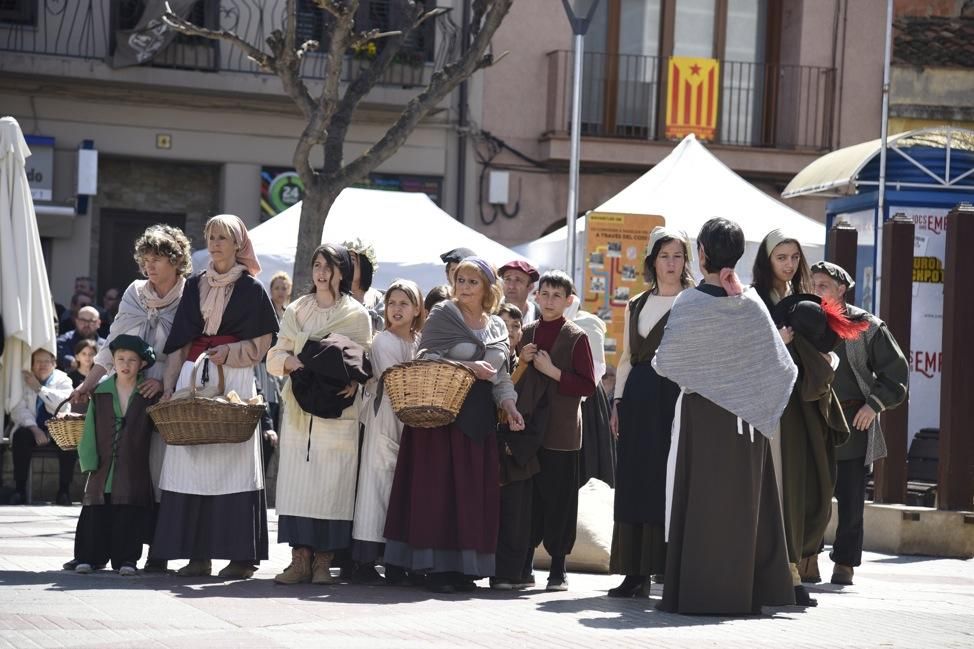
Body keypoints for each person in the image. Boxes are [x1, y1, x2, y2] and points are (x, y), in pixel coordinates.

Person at [653, 217, 796, 616]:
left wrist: (710, 378)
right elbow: (783, 368)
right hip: (748, 422)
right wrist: (746, 391)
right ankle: (743, 594)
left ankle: (696, 593)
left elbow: (666, 362)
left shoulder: (689, 302)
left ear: (701, 254)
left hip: (703, 417)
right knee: (742, 508)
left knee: (701, 504)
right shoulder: (751, 304)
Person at [383, 257, 524, 593]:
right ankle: (435, 568)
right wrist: (468, 367)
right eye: (460, 280)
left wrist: (510, 405)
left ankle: (465, 570)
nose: (464, 287)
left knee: (472, 496)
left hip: (478, 420)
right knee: (439, 494)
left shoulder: (497, 327)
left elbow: (500, 375)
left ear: (488, 288)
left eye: (472, 282)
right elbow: (425, 358)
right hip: (441, 417)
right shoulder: (444, 314)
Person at [154, 214, 278, 579]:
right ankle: (198, 554)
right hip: (194, 375)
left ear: (238, 244)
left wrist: (232, 353)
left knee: (233, 462)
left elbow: (262, 345)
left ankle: (241, 556)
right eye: (211, 236)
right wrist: (169, 385)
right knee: (191, 460)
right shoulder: (194, 286)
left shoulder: (253, 289)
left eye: (223, 237)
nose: (216, 243)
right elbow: (180, 342)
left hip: (234, 378)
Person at [69, 223, 193, 573]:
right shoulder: (134, 293)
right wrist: (89, 383)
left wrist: (164, 386)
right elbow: (114, 341)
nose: (149, 266)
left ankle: (154, 550)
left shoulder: (189, 295)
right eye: (145, 258)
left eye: (157, 259)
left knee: (153, 474)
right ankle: (95, 549)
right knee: (112, 469)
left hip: (162, 395)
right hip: (126, 391)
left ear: (176, 260)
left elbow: (181, 348)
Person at [753, 229, 849, 606]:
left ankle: (792, 571)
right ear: (767, 260)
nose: (789, 264)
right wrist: (780, 342)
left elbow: (823, 347)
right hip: (768, 407)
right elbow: (748, 352)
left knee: (799, 485)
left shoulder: (801, 299)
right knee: (774, 487)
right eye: (781, 257)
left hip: (802, 405)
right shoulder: (753, 298)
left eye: (794, 257)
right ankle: (774, 574)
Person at [267, 243, 373, 585]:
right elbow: (273, 355)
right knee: (297, 485)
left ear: (342, 271)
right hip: (300, 410)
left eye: (330, 266)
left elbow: (365, 360)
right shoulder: (297, 309)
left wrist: (355, 384)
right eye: (317, 265)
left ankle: (322, 564)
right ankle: (298, 561)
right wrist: (292, 361)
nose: (322, 272)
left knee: (332, 486)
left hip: (338, 412)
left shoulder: (356, 314)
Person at [607, 226, 694, 598]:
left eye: (677, 255)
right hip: (639, 398)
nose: (670, 263)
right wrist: (618, 402)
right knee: (634, 479)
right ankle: (635, 571)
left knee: (668, 478)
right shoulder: (637, 303)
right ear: (652, 260)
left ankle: (666, 566)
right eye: (664, 255)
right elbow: (626, 357)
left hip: (675, 397)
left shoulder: (694, 301)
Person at [811, 261, 909, 586]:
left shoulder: (866, 326)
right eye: (812, 284)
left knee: (851, 499)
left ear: (841, 289)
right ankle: (806, 558)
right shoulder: (805, 319)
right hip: (812, 422)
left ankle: (844, 564)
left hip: (853, 424)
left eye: (823, 285)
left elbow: (896, 373)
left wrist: (873, 405)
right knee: (809, 496)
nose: (816, 290)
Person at [519, 270, 596, 592]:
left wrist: (552, 371)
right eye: (545, 294)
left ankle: (558, 568)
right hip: (526, 428)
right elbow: (511, 378)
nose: (549, 301)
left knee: (560, 500)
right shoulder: (526, 333)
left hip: (561, 432)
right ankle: (522, 564)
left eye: (556, 296)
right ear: (536, 296)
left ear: (568, 301)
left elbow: (588, 386)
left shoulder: (576, 337)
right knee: (528, 499)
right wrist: (520, 360)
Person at [352, 279, 425, 583]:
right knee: (376, 487)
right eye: (392, 302)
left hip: (411, 421)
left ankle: (396, 559)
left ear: (417, 308)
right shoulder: (383, 341)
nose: (396, 309)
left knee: (399, 488)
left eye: (404, 303)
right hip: (387, 417)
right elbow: (395, 380)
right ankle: (364, 560)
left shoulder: (420, 341)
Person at [74, 335, 158, 576]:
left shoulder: (147, 394)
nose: (126, 364)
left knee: (128, 512)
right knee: (96, 510)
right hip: (103, 465)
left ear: (142, 364)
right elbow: (89, 428)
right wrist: (89, 460)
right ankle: (89, 557)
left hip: (133, 466)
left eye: (132, 359)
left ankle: (127, 559)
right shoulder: (100, 392)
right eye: (120, 358)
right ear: (113, 360)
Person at [9, 349, 75, 505]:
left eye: (46, 361)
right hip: (33, 428)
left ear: (54, 364)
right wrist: (34, 429)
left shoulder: (63, 380)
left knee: (69, 441)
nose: (42, 365)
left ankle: (64, 491)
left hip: (57, 427)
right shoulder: (23, 379)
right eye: (38, 361)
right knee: (21, 436)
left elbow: (62, 405)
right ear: (32, 364)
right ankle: (20, 490)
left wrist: (39, 388)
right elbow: (18, 409)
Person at [256, 270, 292, 474]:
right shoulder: (264, 310)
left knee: (276, 411)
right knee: (265, 409)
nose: (280, 291)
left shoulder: (288, 314)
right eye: (277, 287)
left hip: (281, 374)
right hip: (262, 368)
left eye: (284, 288)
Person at [344, 238, 385, 332]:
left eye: (352, 259)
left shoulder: (378, 298)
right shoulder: (335, 296)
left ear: (364, 264)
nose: (347, 264)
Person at [57, 306, 105, 371]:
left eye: (91, 321)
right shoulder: (64, 340)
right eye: (83, 320)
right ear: (76, 321)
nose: (86, 324)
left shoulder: (105, 345)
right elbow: (59, 355)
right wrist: (75, 363)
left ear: (98, 323)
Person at [497, 303, 523, 372]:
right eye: (504, 324)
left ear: (521, 335)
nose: (510, 329)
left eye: (515, 326)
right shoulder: (479, 362)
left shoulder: (524, 369)